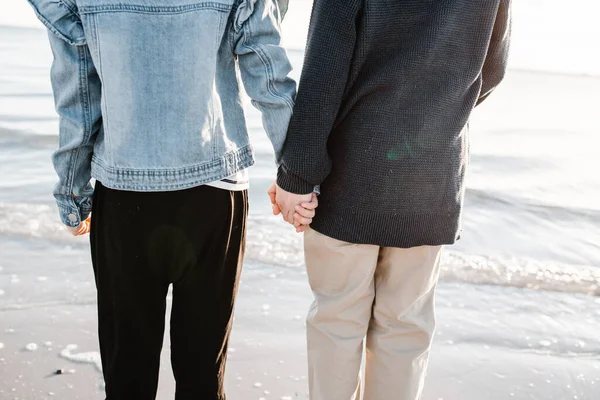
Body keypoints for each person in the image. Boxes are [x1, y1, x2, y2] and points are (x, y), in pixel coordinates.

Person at [26, 0, 307, 398]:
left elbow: (77, 95)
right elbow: (266, 69)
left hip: (125, 196)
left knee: (128, 378)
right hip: (214, 189)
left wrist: (72, 190)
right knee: (202, 378)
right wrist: (295, 173)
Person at [272, 0, 512, 399]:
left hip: (352, 170)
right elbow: (492, 70)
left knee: (337, 321)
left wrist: (297, 174)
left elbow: (326, 67)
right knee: (405, 329)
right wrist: (433, 116)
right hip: (433, 175)